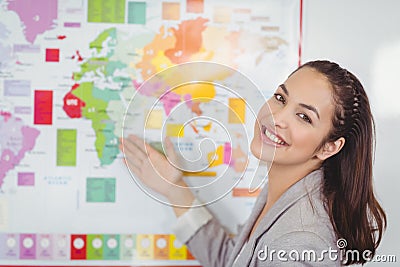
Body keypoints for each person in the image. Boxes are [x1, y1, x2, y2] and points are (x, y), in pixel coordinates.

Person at [121, 60, 386, 266]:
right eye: (280, 98)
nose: (277, 116)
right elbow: (234, 260)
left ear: (330, 147)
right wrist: (174, 189)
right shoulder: (286, 192)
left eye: (304, 117)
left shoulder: (303, 243)